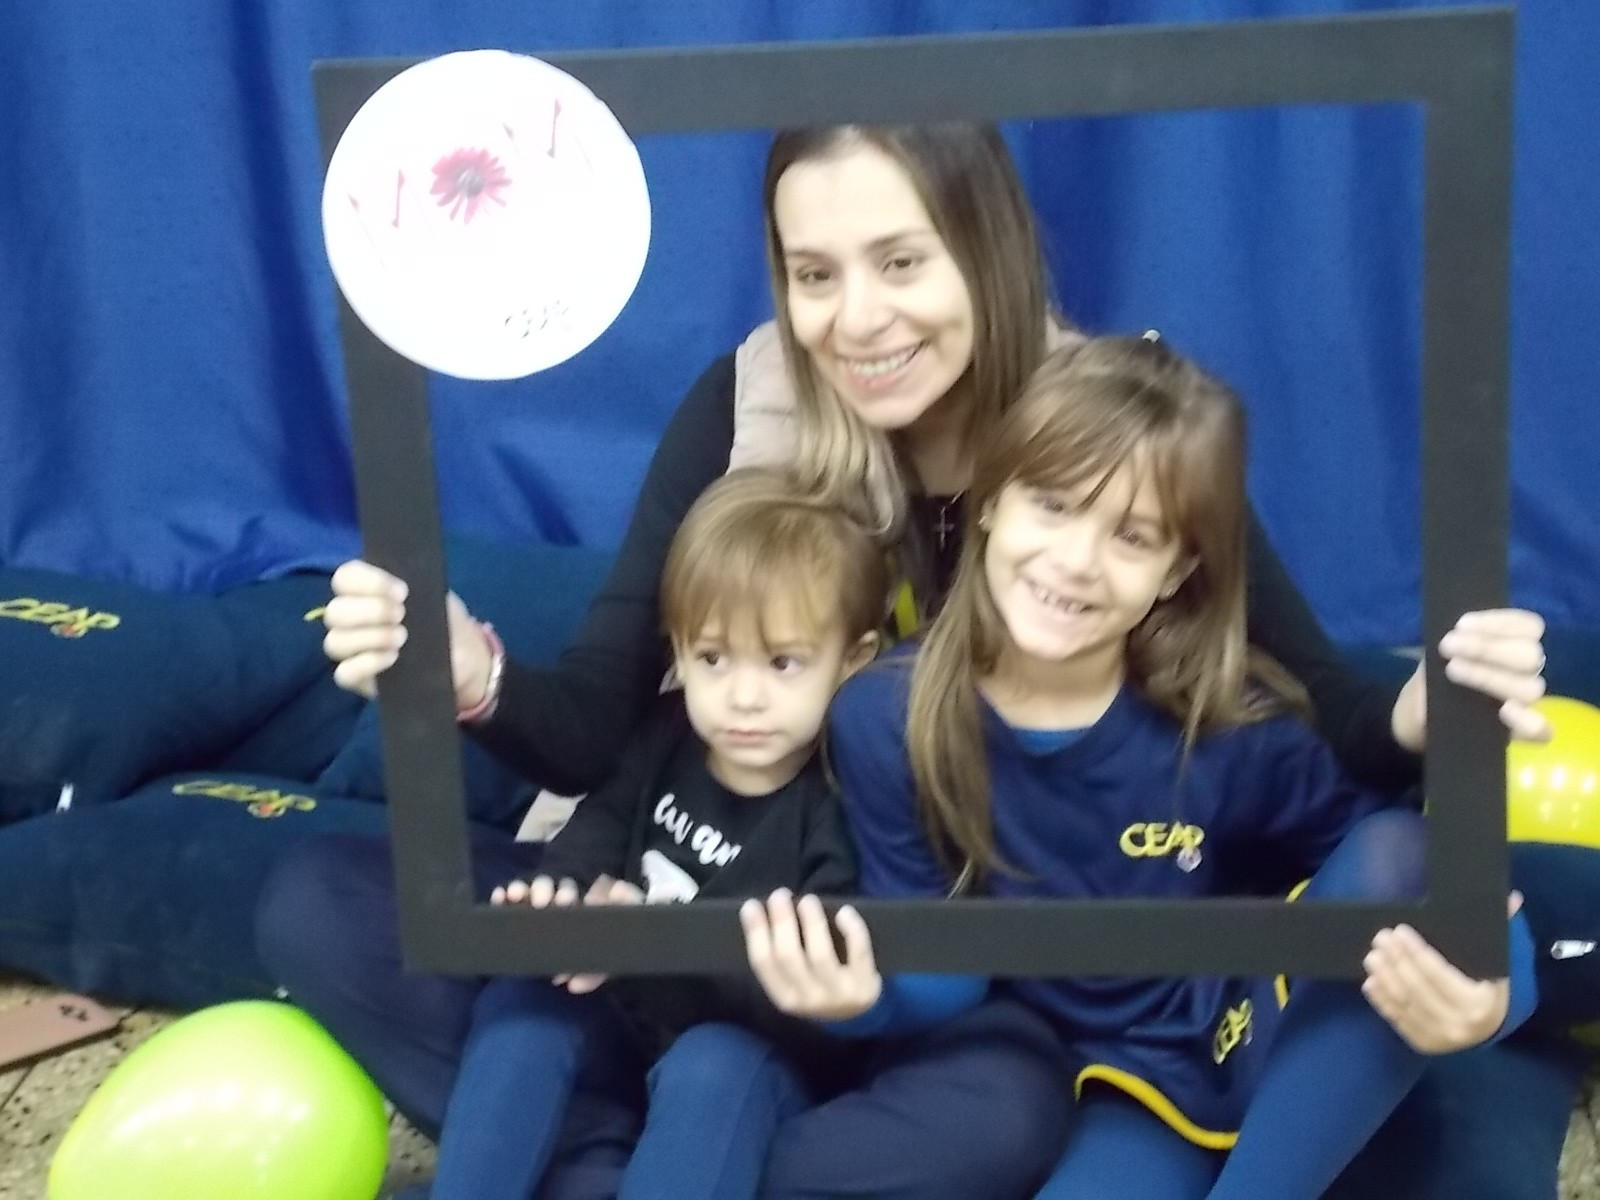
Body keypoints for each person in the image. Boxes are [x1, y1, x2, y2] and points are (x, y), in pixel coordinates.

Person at [258, 123, 1549, 1199]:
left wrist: (1427, 718)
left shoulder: (1104, 435)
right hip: (718, 908)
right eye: (812, 274)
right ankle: (643, 1147)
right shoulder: (747, 406)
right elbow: (604, 717)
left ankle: (679, 1152)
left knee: (1010, 1103)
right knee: (322, 903)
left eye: (899, 261)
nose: (857, 317)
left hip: (947, 984)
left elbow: (1315, 721)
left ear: (985, 252)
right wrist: (472, 677)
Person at [736, 336, 1537, 1200]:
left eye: (1131, 535)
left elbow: (1406, 862)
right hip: (1069, 1079)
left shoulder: (1224, 726)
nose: (1077, 560)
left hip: (1207, 1045)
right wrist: (862, 1002)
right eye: (1052, 505)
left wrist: (1499, 994)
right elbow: (939, 965)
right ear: (992, 504)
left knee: (1404, 853)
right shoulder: (886, 715)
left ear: (1174, 570)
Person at [426, 468, 883, 1200]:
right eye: (712, 658)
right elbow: (596, 832)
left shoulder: (842, 797)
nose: (743, 696)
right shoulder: (666, 734)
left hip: (755, 1064)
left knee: (714, 1063)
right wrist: (559, 903)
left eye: (783, 663)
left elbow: (810, 1003)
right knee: (524, 1005)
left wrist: (653, 938)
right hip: (633, 1023)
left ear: (852, 661)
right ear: (678, 651)